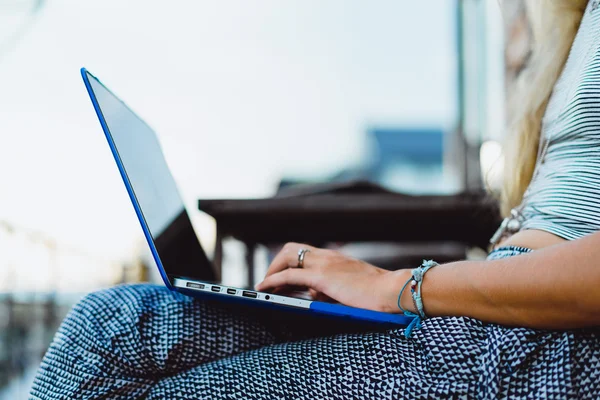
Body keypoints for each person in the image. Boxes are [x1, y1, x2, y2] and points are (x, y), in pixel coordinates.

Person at [30, 1, 600, 399]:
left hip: (549, 344)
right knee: (110, 324)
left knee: (127, 362)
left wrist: (396, 286)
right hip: (503, 304)